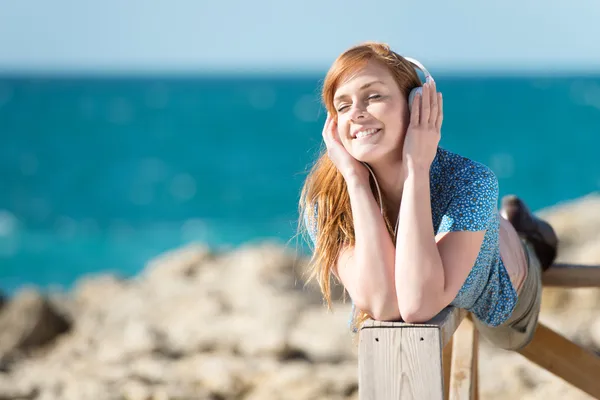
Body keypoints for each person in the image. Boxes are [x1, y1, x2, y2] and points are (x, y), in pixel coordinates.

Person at [298, 42, 558, 351]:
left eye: (374, 96)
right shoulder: (327, 203)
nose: (355, 113)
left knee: (521, 259)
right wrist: (355, 181)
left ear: (417, 104)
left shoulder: (470, 181)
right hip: (458, 262)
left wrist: (416, 168)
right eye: (342, 106)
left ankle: (526, 230)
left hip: (506, 279)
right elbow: (386, 304)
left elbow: (417, 305)